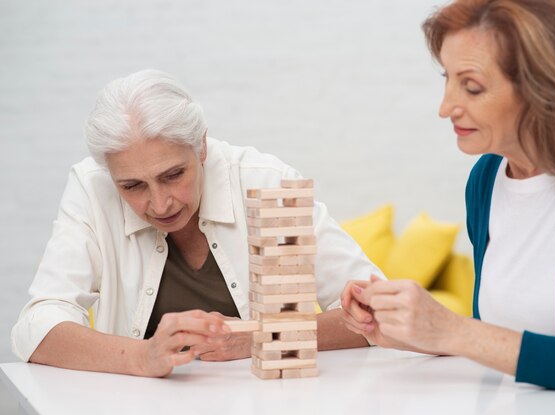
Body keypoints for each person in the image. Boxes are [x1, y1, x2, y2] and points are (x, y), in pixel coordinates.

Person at [12, 69, 383, 377]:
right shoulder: (92, 188)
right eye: (132, 186)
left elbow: (376, 312)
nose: (159, 204)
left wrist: (260, 337)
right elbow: (37, 325)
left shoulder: (265, 182)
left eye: (173, 174)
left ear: (201, 146)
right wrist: (142, 357)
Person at [341, 0, 555, 400]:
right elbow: (503, 338)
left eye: (471, 87)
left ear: (548, 89)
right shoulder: (487, 177)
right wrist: (408, 329)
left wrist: (452, 330)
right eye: (447, 79)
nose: (445, 108)